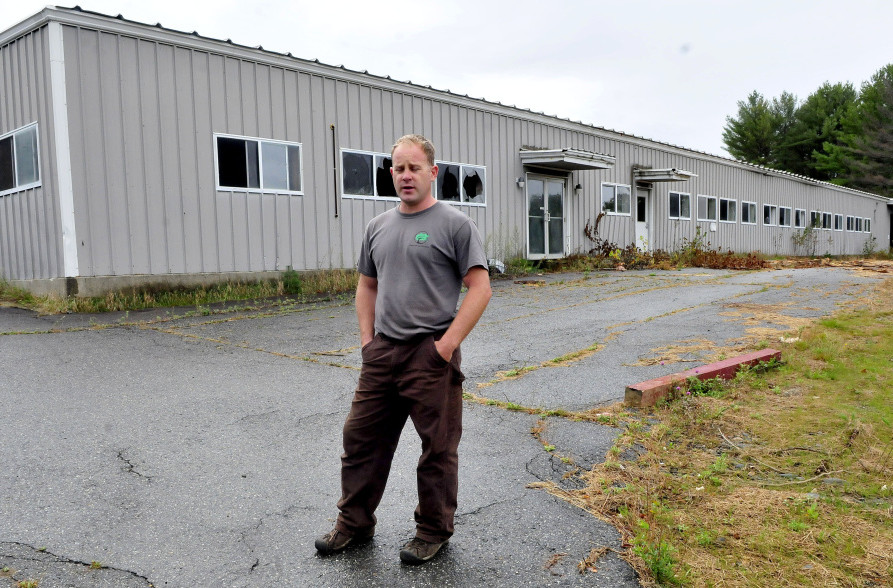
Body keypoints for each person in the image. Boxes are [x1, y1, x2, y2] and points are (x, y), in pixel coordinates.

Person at [315, 134, 492, 564]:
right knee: (360, 440)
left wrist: (445, 348)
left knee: (437, 448)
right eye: (398, 168)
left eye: (414, 168)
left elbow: (480, 287)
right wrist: (366, 342)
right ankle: (354, 524)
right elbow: (367, 285)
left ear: (433, 173)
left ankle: (432, 531)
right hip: (382, 354)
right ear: (390, 173)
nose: (406, 175)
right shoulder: (377, 227)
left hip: (429, 355)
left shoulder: (455, 225)